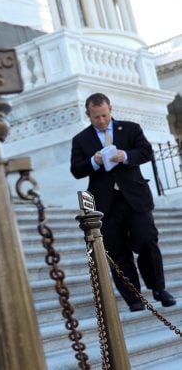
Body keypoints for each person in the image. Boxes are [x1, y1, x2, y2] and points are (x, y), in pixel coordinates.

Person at [70, 92, 175, 312]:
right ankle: (133, 298)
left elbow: (146, 152)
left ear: (110, 110)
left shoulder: (130, 129)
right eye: (96, 117)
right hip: (105, 204)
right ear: (88, 114)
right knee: (117, 251)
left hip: (135, 198)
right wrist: (94, 161)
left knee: (147, 239)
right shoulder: (81, 139)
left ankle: (158, 288)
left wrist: (125, 156)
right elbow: (76, 170)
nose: (101, 120)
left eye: (105, 115)